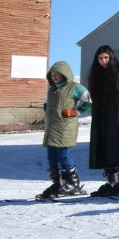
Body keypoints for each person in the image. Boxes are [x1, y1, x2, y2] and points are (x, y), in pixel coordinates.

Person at [88, 45, 119, 196]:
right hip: (102, 116)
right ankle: (113, 181)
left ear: (111, 57)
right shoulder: (96, 74)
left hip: (118, 116)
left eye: (106, 58)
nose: (103, 61)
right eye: (100, 58)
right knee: (105, 147)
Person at [38, 61, 90, 199]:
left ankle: (73, 184)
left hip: (65, 127)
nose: (54, 77)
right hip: (52, 127)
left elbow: (88, 100)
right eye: (52, 74)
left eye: (57, 74)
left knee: (63, 155)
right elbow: (46, 104)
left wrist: (76, 112)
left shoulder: (74, 87)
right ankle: (58, 183)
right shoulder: (52, 89)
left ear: (65, 74)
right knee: (52, 156)